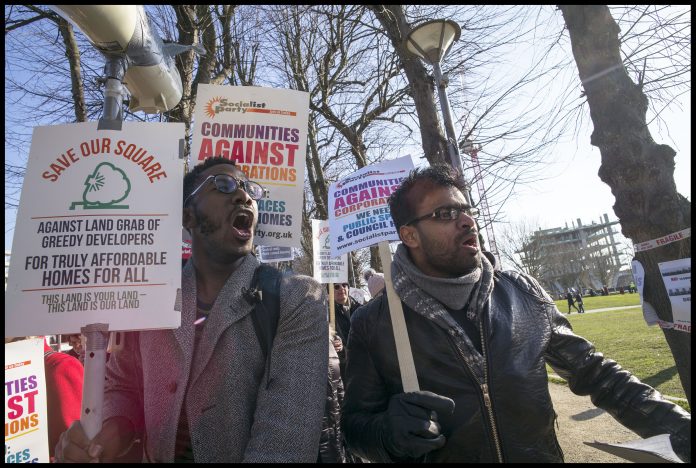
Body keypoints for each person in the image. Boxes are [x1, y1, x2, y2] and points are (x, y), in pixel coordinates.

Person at [341, 164, 691, 463]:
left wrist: (680, 428)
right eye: (446, 214)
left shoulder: (523, 292)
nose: (466, 221)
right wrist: (387, 433)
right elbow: (355, 428)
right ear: (409, 235)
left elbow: (598, 374)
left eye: (467, 210)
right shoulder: (373, 324)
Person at [56, 156, 328, 462]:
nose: (244, 195)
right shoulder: (150, 291)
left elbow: (284, 442)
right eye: (223, 185)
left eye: (249, 188)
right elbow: (124, 385)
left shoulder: (298, 299)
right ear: (188, 216)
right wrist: (110, 432)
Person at [332, 282, 360, 379]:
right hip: (345, 369)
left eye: (344, 285)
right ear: (330, 292)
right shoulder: (328, 315)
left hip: (365, 364)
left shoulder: (361, 308)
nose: (341, 288)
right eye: (336, 286)